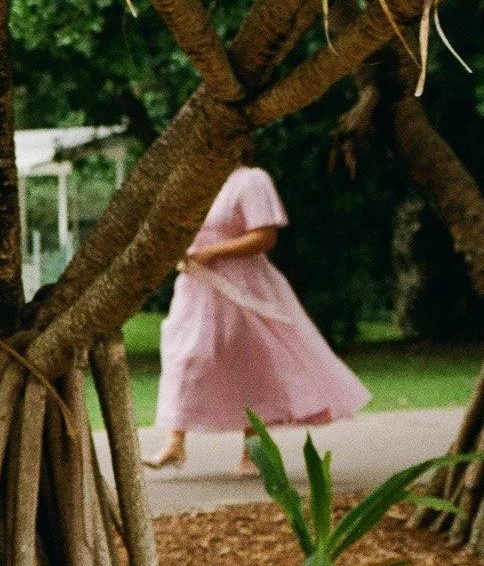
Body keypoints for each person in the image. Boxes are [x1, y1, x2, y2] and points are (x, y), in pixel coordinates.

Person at [146, 158, 370, 474]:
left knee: (249, 362)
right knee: (186, 356)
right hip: (197, 286)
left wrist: (211, 252)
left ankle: (253, 450)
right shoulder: (196, 181)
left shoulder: (250, 181)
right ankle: (175, 442)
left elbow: (264, 237)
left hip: (241, 285)